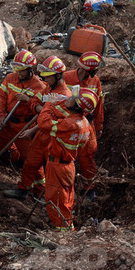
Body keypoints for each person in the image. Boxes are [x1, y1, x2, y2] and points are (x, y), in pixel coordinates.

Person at [4, 56, 72, 200]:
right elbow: (35, 102)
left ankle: (52, 199)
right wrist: (42, 108)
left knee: (51, 169)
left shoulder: (64, 96)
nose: (45, 80)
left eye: (48, 77)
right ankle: (23, 190)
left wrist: (39, 115)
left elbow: (52, 121)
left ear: (58, 76)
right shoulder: (48, 88)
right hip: (41, 133)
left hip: (54, 139)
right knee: (30, 162)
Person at [38, 88, 98, 230]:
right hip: (69, 166)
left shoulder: (70, 124)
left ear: (77, 106)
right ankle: (68, 225)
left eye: (73, 98)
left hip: (58, 166)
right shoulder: (84, 123)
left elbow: (43, 123)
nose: (69, 98)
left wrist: (49, 104)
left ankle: (65, 232)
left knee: (55, 200)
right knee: (66, 199)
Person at [63, 51, 105, 199]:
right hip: (69, 123)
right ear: (90, 69)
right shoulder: (66, 78)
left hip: (88, 124)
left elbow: (99, 105)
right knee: (66, 156)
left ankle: (89, 188)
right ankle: (67, 187)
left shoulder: (95, 82)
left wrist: (99, 126)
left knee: (88, 155)